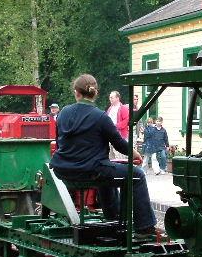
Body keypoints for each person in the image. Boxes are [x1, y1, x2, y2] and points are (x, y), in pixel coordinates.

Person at [51, 74, 156, 235]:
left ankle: (112, 219)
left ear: (76, 93)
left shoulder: (63, 113)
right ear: (95, 93)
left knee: (107, 172)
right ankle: (145, 227)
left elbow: (59, 144)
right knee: (137, 176)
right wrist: (136, 155)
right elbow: (120, 144)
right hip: (91, 171)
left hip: (64, 172)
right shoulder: (101, 117)